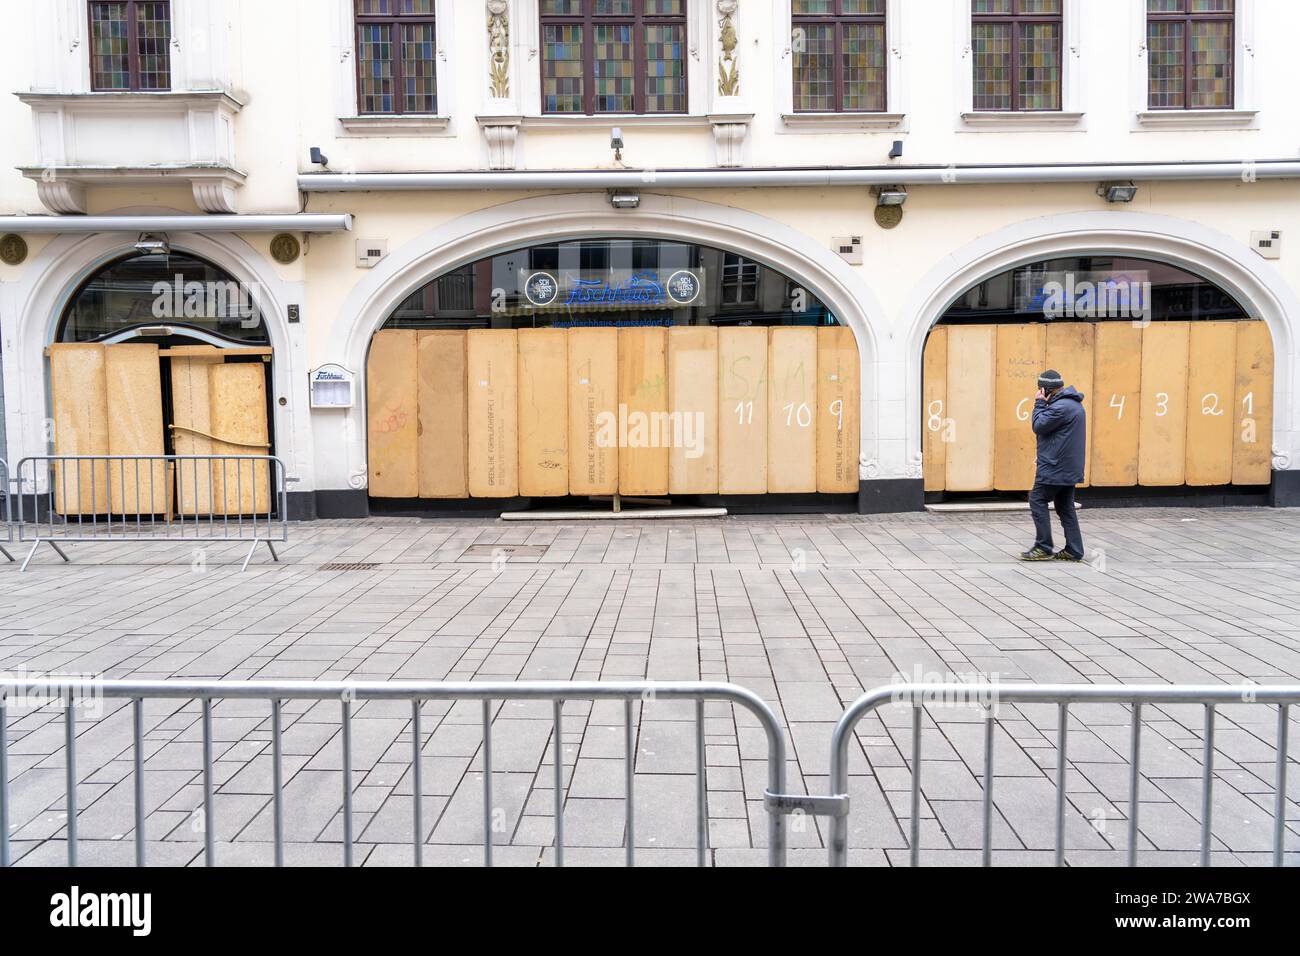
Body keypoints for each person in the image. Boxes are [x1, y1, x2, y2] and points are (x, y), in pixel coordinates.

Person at [1019, 369, 1087, 562]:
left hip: (1055, 467)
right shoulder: (1073, 405)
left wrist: (1039, 403)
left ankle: (1043, 547)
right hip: (1067, 466)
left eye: (1040, 390)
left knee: (1037, 499)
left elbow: (1038, 425)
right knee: (1065, 507)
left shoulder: (1060, 408)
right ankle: (1074, 550)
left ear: (1045, 389)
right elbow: (1058, 438)